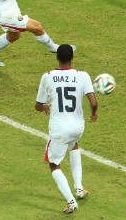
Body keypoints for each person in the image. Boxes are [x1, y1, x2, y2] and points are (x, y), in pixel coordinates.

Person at [35, 44, 98, 214]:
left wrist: (46, 107)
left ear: (57, 58)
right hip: (77, 127)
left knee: (54, 164)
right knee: (74, 145)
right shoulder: (82, 75)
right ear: (72, 58)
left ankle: (71, 201)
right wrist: (93, 114)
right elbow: (93, 102)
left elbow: (38, 106)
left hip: (59, 129)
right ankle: (79, 187)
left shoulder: (47, 77)